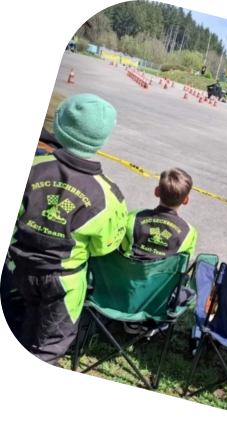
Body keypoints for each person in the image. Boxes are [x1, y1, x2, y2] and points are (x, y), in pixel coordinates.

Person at [8, 93, 128, 366]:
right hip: (64, 282)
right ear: (101, 140)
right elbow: (104, 245)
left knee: (28, 322)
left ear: (58, 126)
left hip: (21, 267)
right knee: (50, 345)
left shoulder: (35, 167)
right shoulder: (108, 196)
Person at [119, 168, 197, 334]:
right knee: (181, 279)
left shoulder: (134, 218)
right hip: (158, 297)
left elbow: (122, 249)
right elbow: (182, 266)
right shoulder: (188, 232)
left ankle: (131, 320)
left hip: (126, 289)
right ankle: (151, 322)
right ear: (186, 200)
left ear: (156, 191)